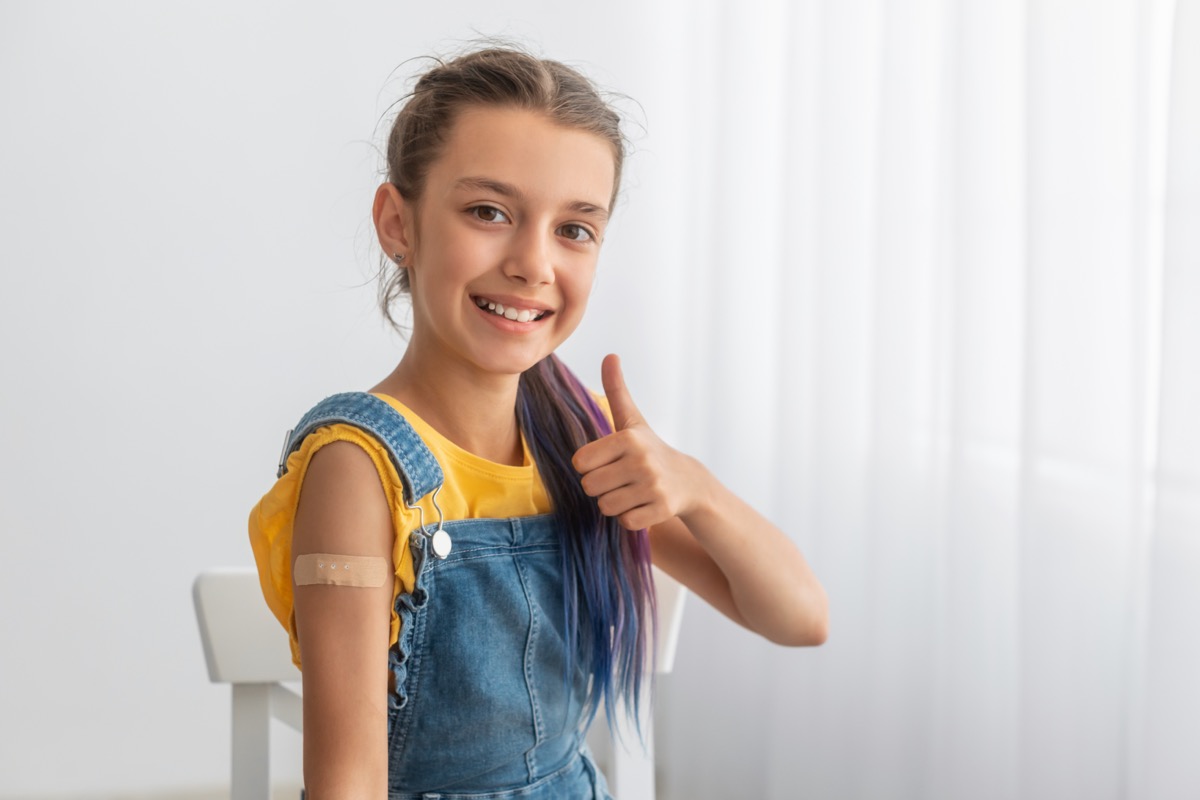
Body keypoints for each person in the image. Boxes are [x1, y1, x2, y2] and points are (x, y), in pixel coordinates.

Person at [249, 45, 828, 799]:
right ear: (398, 222)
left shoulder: (578, 444)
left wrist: (695, 488)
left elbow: (799, 617)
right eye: (489, 212)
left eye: (574, 230)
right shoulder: (359, 470)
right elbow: (347, 783)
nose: (533, 263)